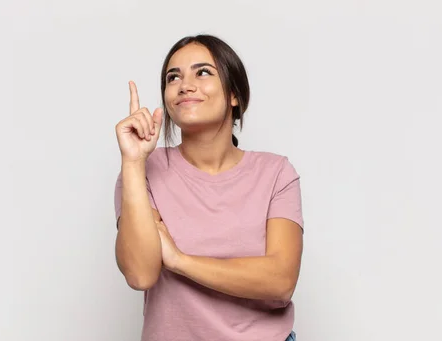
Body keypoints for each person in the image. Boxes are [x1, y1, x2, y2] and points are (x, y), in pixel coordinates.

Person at [113, 34, 303, 341]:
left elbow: (280, 280)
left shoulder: (276, 173)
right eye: (172, 77)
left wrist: (177, 260)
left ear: (234, 95)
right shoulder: (142, 172)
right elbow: (140, 273)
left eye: (203, 72)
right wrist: (133, 161)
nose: (184, 84)